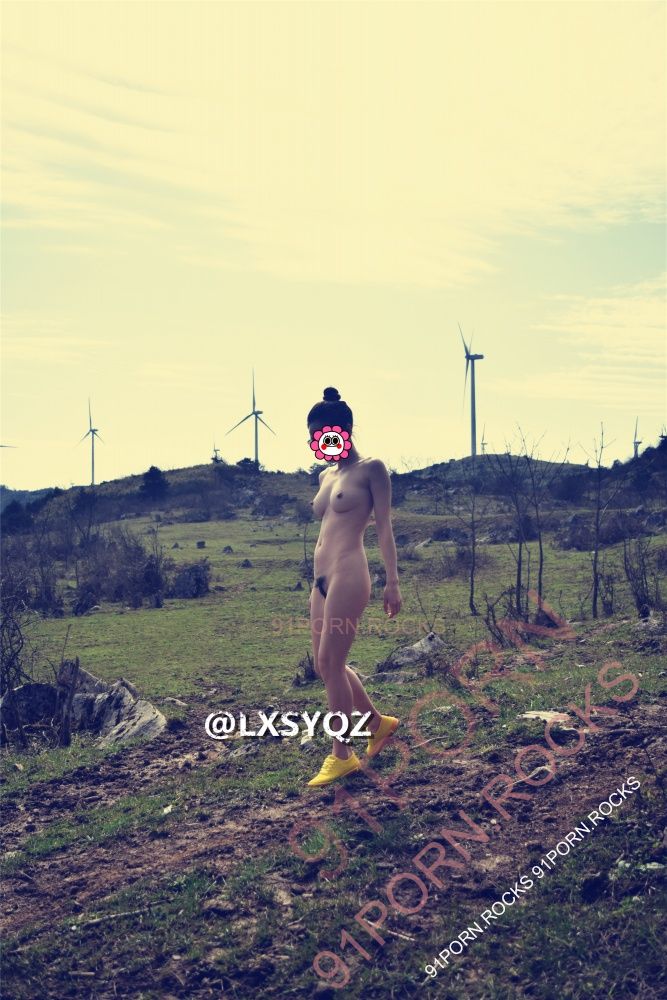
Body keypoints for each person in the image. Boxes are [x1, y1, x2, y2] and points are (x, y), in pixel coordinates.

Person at [305, 386, 402, 787]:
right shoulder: (326, 475)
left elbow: (384, 527)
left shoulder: (371, 469)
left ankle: (342, 754)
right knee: (325, 665)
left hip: (349, 574)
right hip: (320, 579)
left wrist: (392, 581)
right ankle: (377, 725)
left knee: (332, 661)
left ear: (344, 429)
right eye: (313, 435)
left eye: (324, 433)